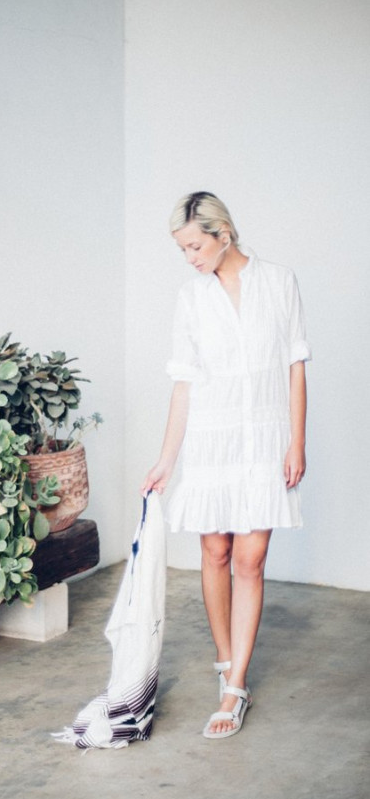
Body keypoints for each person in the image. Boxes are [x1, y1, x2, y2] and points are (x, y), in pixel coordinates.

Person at [142, 192, 310, 739]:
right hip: (211, 441)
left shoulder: (279, 282)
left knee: (250, 559)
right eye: (182, 249)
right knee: (215, 552)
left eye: (195, 246)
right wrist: (167, 460)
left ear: (224, 234)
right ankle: (226, 663)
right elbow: (184, 385)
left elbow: (295, 367)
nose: (189, 257)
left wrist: (297, 442)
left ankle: (236, 687)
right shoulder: (191, 297)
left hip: (265, 438)